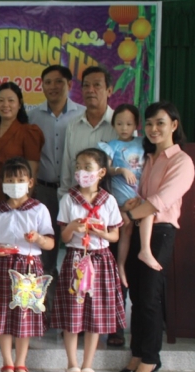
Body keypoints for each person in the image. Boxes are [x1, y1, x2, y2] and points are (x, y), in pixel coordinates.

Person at [119, 101, 195, 372]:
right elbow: (145, 198)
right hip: (142, 228)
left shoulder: (182, 162)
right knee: (137, 298)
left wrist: (127, 214)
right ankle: (137, 353)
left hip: (161, 232)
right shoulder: (150, 159)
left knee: (150, 298)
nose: (153, 129)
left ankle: (151, 358)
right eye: (149, 124)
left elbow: (160, 202)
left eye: (160, 123)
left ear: (173, 126)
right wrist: (133, 206)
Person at [50, 148, 126, 372]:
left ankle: (88, 365)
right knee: (73, 314)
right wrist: (73, 226)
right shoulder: (68, 199)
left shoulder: (109, 200)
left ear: (101, 172)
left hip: (100, 259)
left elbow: (114, 235)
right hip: (76, 259)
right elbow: (63, 235)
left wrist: (100, 232)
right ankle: (72, 364)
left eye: (88, 167)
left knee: (96, 315)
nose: (81, 172)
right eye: (78, 167)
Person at [0, 157, 54, 372]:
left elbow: (50, 243)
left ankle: (21, 363)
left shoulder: (38, 209)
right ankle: (7, 363)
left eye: (20, 180)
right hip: (2, 267)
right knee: (3, 314)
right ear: (2, 183)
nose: (15, 184)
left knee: (25, 315)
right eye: (10, 180)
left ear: (30, 182)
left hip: (28, 268)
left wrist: (39, 239)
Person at [28, 65, 84, 279]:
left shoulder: (81, 114)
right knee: (46, 252)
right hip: (45, 191)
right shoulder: (33, 116)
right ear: (42, 86)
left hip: (76, 192)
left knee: (77, 249)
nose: (53, 86)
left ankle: (72, 304)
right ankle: (47, 308)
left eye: (59, 81)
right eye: (48, 82)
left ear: (69, 85)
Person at [99, 104, 153, 286]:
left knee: (149, 212)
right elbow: (105, 169)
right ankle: (120, 266)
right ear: (113, 124)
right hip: (121, 194)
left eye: (129, 124)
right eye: (120, 123)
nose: (124, 128)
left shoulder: (143, 143)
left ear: (136, 125)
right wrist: (121, 170)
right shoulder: (111, 146)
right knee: (127, 226)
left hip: (139, 193)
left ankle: (145, 249)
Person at [59, 66, 118, 198]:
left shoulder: (121, 126)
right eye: (86, 86)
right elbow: (67, 169)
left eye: (97, 85)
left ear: (109, 90)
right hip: (77, 205)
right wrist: (63, 200)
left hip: (112, 207)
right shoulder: (73, 126)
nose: (90, 90)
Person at [0, 82, 45, 205]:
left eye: (11, 101)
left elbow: (33, 170)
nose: (5, 105)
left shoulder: (29, 132)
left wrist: (25, 203)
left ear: (19, 104)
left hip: (18, 198)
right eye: (0, 101)